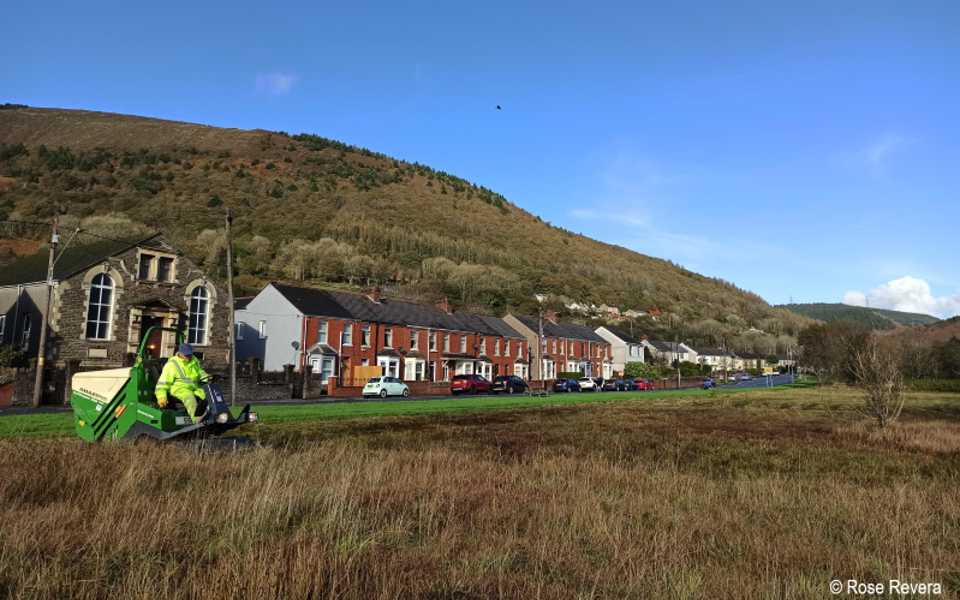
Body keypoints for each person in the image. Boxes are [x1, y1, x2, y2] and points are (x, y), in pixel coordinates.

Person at [155, 343, 210, 423]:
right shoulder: (172, 365)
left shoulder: (194, 361)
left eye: (190, 354)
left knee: (207, 396)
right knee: (189, 398)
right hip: (179, 389)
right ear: (180, 353)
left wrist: (207, 377)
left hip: (194, 388)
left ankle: (212, 417)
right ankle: (197, 420)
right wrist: (161, 396)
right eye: (186, 354)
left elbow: (200, 372)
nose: (188, 356)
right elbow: (163, 383)